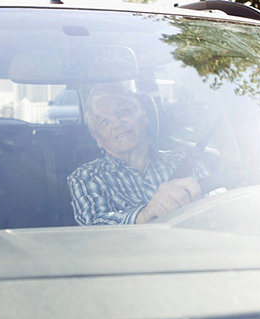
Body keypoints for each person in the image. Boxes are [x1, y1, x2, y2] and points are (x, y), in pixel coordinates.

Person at [67, 84, 210, 225]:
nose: (117, 123)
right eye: (105, 121)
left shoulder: (182, 160)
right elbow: (95, 226)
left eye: (124, 112)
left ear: (144, 117)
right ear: (97, 138)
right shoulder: (85, 177)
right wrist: (146, 215)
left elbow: (220, 202)